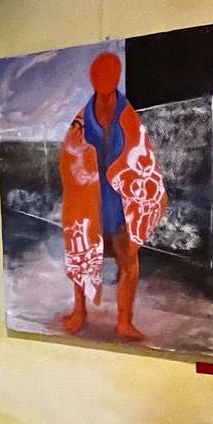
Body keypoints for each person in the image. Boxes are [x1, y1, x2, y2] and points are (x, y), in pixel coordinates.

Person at [58, 50, 166, 341]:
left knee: (128, 261)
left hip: (121, 200)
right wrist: (80, 155)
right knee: (81, 253)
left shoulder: (128, 116)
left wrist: (125, 169)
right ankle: (79, 312)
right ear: (92, 78)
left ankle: (124, 321)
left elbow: (144, 154)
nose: (104, 78)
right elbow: (68, 155)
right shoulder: (81, 119)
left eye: (110, 73)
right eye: (99, 73)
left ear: (117, 77)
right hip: (90, 198)